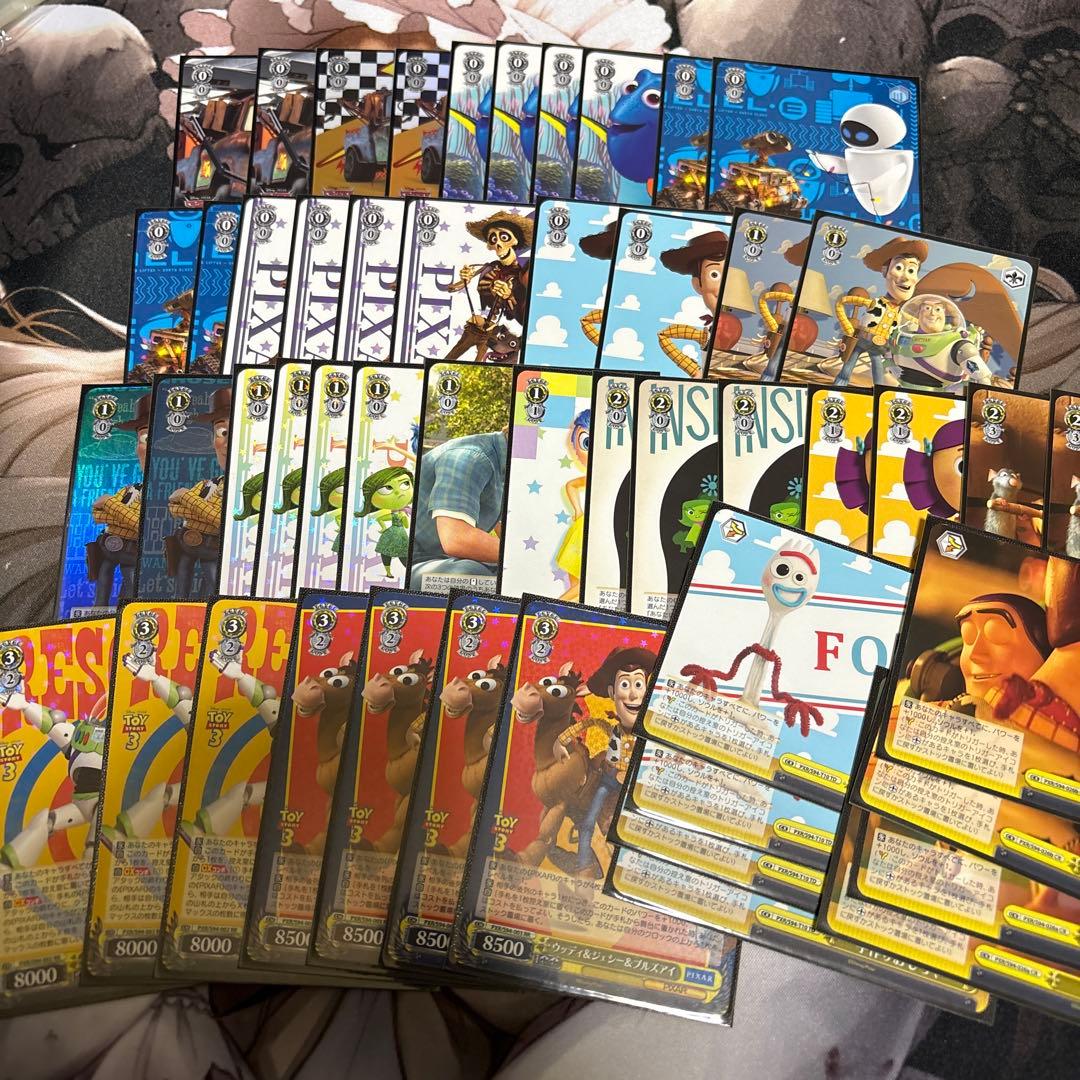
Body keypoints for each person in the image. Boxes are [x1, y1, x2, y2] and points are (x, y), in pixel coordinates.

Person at [562, 646, 657, 880]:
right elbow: (590, 722)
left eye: (638, 685)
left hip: (635, 785)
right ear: (612, 692)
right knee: (588, 823)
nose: (632, 695)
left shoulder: (649, 735)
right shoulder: (612, 728)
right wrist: (561, 740)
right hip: (609, 779)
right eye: (625, 685)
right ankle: (584, 866)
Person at [409, 427, 507, 585]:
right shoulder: (472, 458)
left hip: (439, 559)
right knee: (471, 576)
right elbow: (456, 539)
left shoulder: (503, 469)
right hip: (410, 561)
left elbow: (504, 527)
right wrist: (521, 557)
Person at [834, 236, 928, 386]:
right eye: (899, 268)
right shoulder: (874, 303)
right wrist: (848, 328)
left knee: (878, 369)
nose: (906, 277)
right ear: (886, 271)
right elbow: (842, 302)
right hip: (862, 339)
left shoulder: (901, 313)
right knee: (849, 363)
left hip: (880, 345)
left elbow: (916, 324)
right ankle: (841, 383)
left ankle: (878, 390)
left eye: (911, 270)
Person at [443, 210, 533, 362]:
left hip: (495, 334)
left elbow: (523, 315)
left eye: (504, 237)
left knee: (479, 366)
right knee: (448, 360)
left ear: (515, 241)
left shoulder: (522, 275)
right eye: (493, 239)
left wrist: (508, 296)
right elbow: (455, 287)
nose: (498, 244)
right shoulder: (488, 268)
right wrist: (464, 279)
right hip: (475, 327)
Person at [166, 387, 229, 597]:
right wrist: (200, 509)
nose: (227, 442)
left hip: (213, 548)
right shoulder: (208, 484)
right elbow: (174, 508)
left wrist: (187, 498)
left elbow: (221, 520)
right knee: (181, 583)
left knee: (212, 582)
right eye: (221, 433)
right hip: (186, 542)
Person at [87, 392, 149, 607]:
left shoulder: (164, 493)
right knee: (103, 580)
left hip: (133, 551)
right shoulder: (130, 489)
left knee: (130, 582)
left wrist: (111, 505)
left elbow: (142, 525)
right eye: (144, 438)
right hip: (109, 547)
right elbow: (97, 513)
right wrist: (120, 514)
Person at [655, 229, 729, 378]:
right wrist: (694, 370)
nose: (724, 285)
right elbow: (664, 335)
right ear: (697, 285)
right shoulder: (706, 336)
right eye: (714, 275)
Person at [357, 465, 414, 577]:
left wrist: (403, 517)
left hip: (400, 535)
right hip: (392, 534)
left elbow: (407, 526)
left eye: (405, 484)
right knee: (386, 553)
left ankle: (409, 573)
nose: (398, 493)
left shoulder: (403, 512)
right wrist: (383, 527)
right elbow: (381, 519)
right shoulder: (393, 515)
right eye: (387, 488)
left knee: (403, 554)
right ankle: (388, 572)